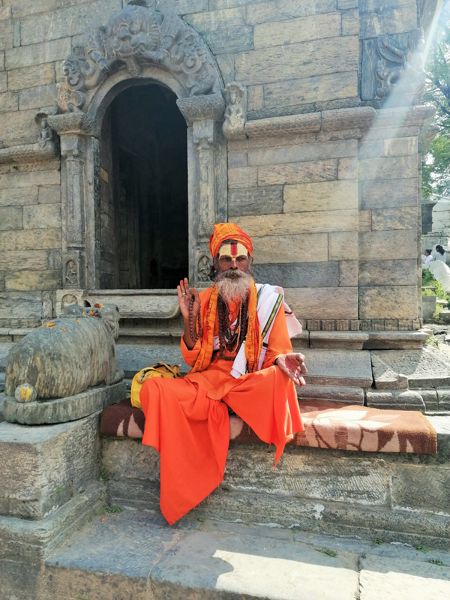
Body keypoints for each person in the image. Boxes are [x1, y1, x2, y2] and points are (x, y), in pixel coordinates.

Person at [136, 223, 307, 525]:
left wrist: (282, 361)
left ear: (249, 262)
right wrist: (188, 320)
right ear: (215, 263)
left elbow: (278, 349)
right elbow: (193, 358)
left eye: (240, 260)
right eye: (226, 260)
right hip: (210, 380)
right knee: (154, 390)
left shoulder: (268, 301)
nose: (233, 266)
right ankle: (191, 466)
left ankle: (225, 404)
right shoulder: (202, 300)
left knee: (279, 381)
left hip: (246, 383)